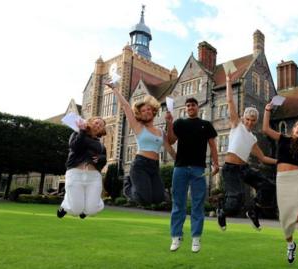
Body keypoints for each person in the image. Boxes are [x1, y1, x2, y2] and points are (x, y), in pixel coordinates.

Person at [216, 72, 277, 231]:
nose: (250, 123)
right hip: (230, 169)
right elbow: (230, 101)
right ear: (243, 119)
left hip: (244, 169)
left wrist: (281, 161)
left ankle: (254, 211)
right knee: (235, 201)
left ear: (256, 122)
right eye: (248, 119)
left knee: (268, 186)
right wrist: (229, 81)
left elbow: (263, 158)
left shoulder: (253, 139)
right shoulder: (237, 125)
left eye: (253, 120)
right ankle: (222, 212)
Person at [263, 104, 298, 264]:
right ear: (293, 129)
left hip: (296, 179)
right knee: (284, 218)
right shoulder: (283, 138)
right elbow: (266, 129)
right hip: (282, 179)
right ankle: (290, 245)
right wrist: (267, 110)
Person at [108, 82, 176, 206]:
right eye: (143, 110)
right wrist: (115, 89)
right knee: (144, 199)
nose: (146, 112)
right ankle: (128, 187)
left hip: (154, 166)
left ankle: (138, 187)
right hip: (140, 165)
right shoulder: (138, 126)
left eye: (148, 109)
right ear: (140, 113)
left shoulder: (160, 132)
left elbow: (170, 149)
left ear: (154, 111)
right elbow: (126, 106)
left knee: (158, 198)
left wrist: (181, 162)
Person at [165, 97, 219, 253]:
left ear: (197, 107)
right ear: (185, 108)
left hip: (198, 169)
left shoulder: (206, 125)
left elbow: (213, 146)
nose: (190, 107)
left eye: (193, 105)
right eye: (187, 105)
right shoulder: (180, 123)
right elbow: (171, 139)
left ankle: (196, 238)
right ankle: (176, 236)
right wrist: (169, 122)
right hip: (180, 167)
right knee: (178, 203)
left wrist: (216, 163)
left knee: (197, 204)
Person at [57, 117, 107, 219]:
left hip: (94, 177)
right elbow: (75, 147)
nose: (98, 126)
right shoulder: (77, 134)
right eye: (97, 123)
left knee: (92, 211)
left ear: (102, 129)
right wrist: (82, 131)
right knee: (75, 211)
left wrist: (101, 158)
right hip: (75, 174)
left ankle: (86, 208)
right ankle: (65, 205)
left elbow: (104, 160)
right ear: (90, 122)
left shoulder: (101, 146)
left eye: (101, 125)